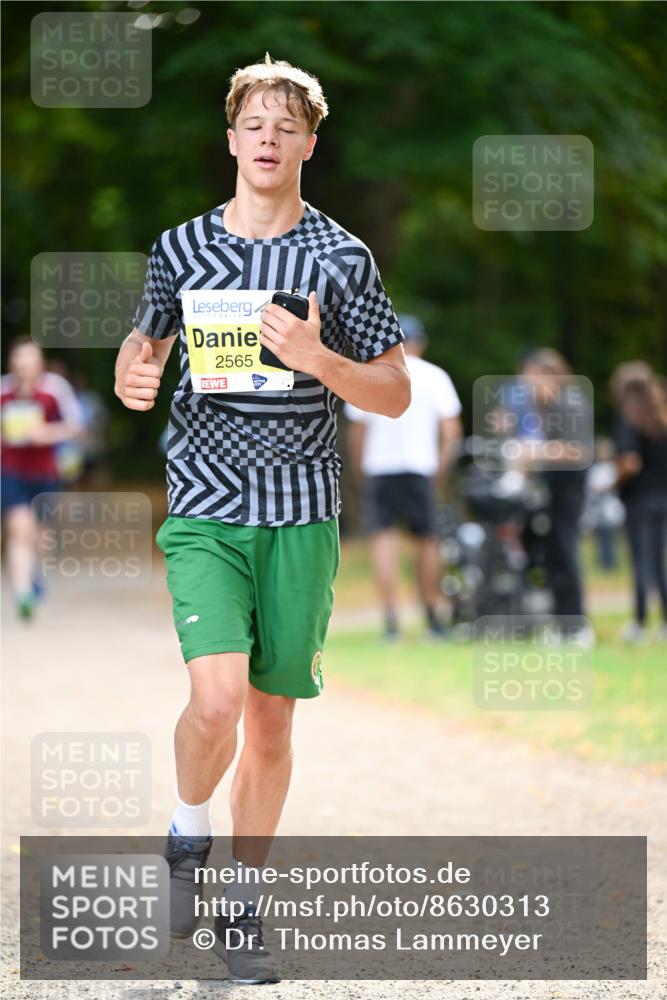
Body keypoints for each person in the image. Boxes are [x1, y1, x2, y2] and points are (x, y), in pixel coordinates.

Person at [113, 55, 410, 983]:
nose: (268, 138)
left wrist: (322, 359)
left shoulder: (340, 258)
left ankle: (242, 908)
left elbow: (395, 393)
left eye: (287, 125)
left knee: (273, 724)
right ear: (232, 138)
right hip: (204, 504)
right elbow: (145, 339)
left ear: (309, 144)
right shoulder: (181, 248)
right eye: (254, 123)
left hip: (301, 515)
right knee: (218, 701)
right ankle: (186, 827)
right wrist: (131, 371)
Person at [345, 315, 462, 639]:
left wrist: (360, 469)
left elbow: (358, 431)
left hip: (379, 467)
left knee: (383, 543)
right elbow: (452, 433)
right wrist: (439, 470)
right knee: (427, 543)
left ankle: (391, 623)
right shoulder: (435, 376)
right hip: (419, 468)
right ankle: (433, 619)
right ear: (420, 342)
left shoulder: (371, 374)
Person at [514, 349, 593, 644]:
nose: (527, 384)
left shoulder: (569, 403)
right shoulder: (545, 407)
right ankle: (562, 625)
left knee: (566, 552)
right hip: (552, 489)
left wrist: (536, 452)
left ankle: (577, 626)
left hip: (569, 489)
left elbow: (577, 450)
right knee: (552, 555)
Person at [1, 338, 84, 618]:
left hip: (46, 473)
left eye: (30, 360)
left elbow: (76, 424)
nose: (25, 366)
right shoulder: (3, 390)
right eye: (20, 360)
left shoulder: (55, 389)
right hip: (11, 471)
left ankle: (36, 574)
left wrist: (47, 433)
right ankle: (22, 593)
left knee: (41, 536)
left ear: (39, 363)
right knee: (19, 528)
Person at [610, 361, 667, 643]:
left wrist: (612, 482)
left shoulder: (630, 421)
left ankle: (640, 623)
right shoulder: (661, 419)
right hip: (663, 500)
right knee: (660, 563)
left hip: (640, 501)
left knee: (641, 563)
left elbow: (630, 462)